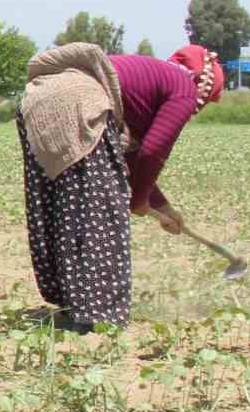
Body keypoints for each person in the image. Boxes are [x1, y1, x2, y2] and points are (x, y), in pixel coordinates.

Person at [16, 42, 223, 331]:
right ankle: (98, 316)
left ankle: (72, 301)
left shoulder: (152, 79)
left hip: (38, 99)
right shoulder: (184, 90)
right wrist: (138, 200)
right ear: (204, 86)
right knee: (103, 214)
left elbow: (130, 156)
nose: (199, 106)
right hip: (80, 102)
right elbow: (153, 151)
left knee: (62, 204)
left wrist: (162, 206)